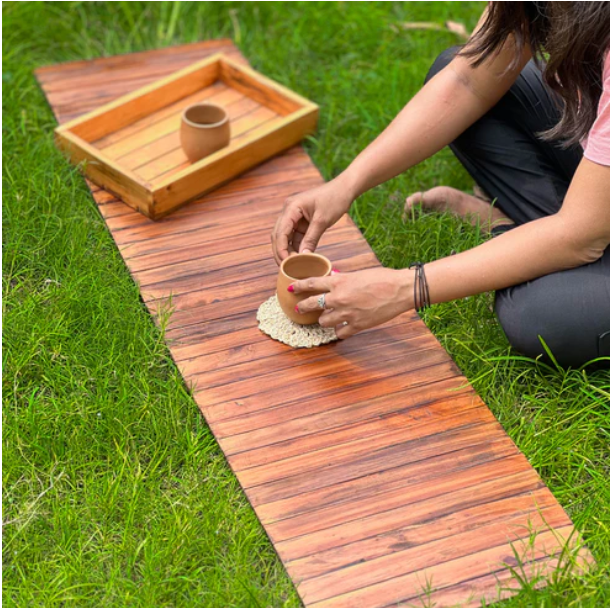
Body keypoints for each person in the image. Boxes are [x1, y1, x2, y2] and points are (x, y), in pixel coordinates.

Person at [271, 1, 610, 368]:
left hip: (585, 228)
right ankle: (547, 239)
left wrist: (404, 288)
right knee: (470, 74)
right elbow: (468, 81)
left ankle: (529, 237)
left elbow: (579, 234)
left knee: (541, 314)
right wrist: (345, 184)